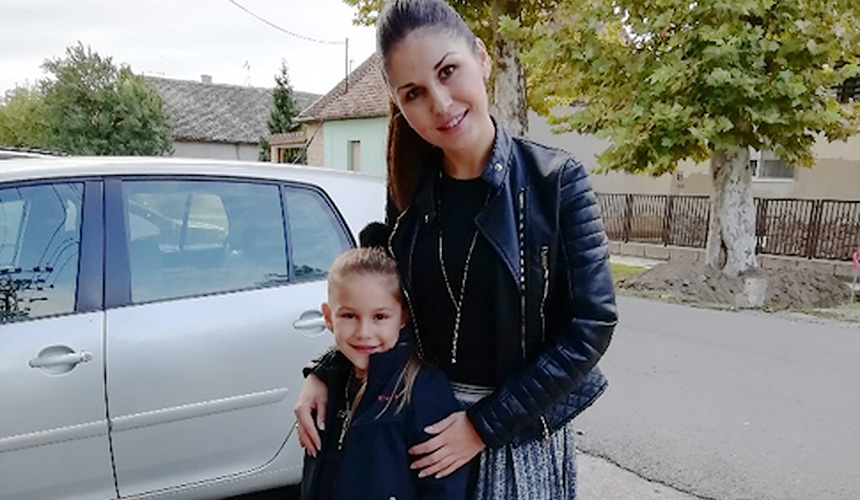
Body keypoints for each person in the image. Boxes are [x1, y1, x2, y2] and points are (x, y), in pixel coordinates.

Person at [295, 0, 618, 497]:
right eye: (414, 92)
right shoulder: (409, 189)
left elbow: (590, 327)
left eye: (448, 71)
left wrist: (484, 425)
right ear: (399, 104)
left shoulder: (555, 181)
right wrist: (329, 369)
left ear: (481, 58)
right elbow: (381, 300)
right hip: (420, 425)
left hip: (515, 438)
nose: (441, 104)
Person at [300, 247, 468, 500]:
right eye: (349, 316)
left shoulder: (422, 389)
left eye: (380, 316)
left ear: (403, 317)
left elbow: (445, 488)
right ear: (328, 317)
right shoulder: (330, 384)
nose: (364, 332)